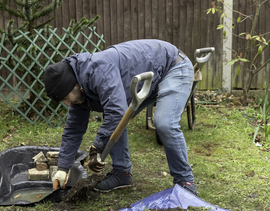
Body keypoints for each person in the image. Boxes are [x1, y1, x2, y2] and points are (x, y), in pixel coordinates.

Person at [44, 39, 197, 195]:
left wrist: (97, 147)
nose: (68, 104)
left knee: (164, 123)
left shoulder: (99, 71)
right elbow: (73, 130)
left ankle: (185, 181)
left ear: (74, 85)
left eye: (65, 98)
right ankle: (122, 173)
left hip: (172, 66)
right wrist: (63, 168)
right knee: (114, 120)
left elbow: (116, 112)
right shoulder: (79, 90)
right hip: (149, 76)